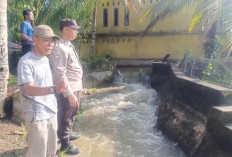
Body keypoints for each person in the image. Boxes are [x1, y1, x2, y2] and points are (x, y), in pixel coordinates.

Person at [17, 25, 60, 157]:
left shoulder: (45, 60)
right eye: (46, 40)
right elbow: (28, 89)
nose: (50, 44)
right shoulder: (26, 62)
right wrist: (54, 89)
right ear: (35, 40)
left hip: (51, 112)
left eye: (52, 40)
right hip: (36, 114)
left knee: (50, 152)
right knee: (37, 153)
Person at [50, 19, 83, 155]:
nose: (76, 31)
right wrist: (69, 94)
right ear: (65, 30)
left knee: (73, 111)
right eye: (74, 29)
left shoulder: (68, 45)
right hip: (68, 88)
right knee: (66, 114)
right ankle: (65, 143)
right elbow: (60, 72)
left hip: (75, 85)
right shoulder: (59, 47)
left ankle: (67, 133)